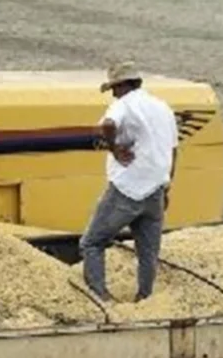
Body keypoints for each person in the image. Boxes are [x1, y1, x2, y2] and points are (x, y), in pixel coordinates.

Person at [79, 61, 179, 303]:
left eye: (114, 87)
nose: (113, 93)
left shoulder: (123, 104)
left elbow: (108, 125)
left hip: (127, 189)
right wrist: (166, 187)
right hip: (156, 189)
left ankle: (100, 297)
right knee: (148, 252)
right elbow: (174, 151)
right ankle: (145, 298)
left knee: (92, 243)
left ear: (123, 85)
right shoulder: (163, 107)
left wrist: (114, 149)